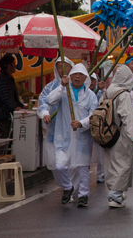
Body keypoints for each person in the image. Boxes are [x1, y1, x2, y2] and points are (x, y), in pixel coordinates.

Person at [43, 63, 98, 207]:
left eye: (81, 75)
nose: (77, 77)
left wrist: (81, 123)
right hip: (63, 136)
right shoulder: (63, 92)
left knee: (82, 167)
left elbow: (94, 116)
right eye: (75, 74)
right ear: (70, 76)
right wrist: (61, 86)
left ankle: (83, 195)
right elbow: (49, 100)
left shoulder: (91, 96)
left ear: (86, 77)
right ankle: (68, 187)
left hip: (81, 138)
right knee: (60, 166)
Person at [102, 66, 133, 208]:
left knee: (110, 164)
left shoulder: (106, 92)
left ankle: (114, 191)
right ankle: (115, 196)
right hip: (120, 134)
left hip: (107, 134)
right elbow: (128, 117)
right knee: (122, 164)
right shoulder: (123, 94)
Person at [37, 58, 74, 187]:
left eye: (65, 66)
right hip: (54, 131)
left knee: (72, 164)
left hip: (72, 130)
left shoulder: (76, 85)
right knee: (55, 163)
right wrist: (45, 114)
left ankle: (73, 188)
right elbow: (43, 102)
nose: (62, 69)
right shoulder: (50, 87)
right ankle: (66, 187)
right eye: (59, 67)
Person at [0, 54, 24, 144]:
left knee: (9, 138)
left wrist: (21, 106)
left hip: (6, 114)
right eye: (14, 63)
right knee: (5, 139)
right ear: (9, 66)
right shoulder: (2, 79)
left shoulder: (8, 78)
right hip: (2, 115)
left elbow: (13, 97)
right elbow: (6, 97)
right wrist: (14, 107)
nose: (15, 66)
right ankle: (1, 156)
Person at [89, 73, 106, 183]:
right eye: (89, 79)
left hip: (97, 124)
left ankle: (101, 174)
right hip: (85, 124)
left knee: (99, 151)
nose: (91, 82)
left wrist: (102, 90)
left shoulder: (100, 92)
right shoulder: (84, 92)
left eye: (93, 80)